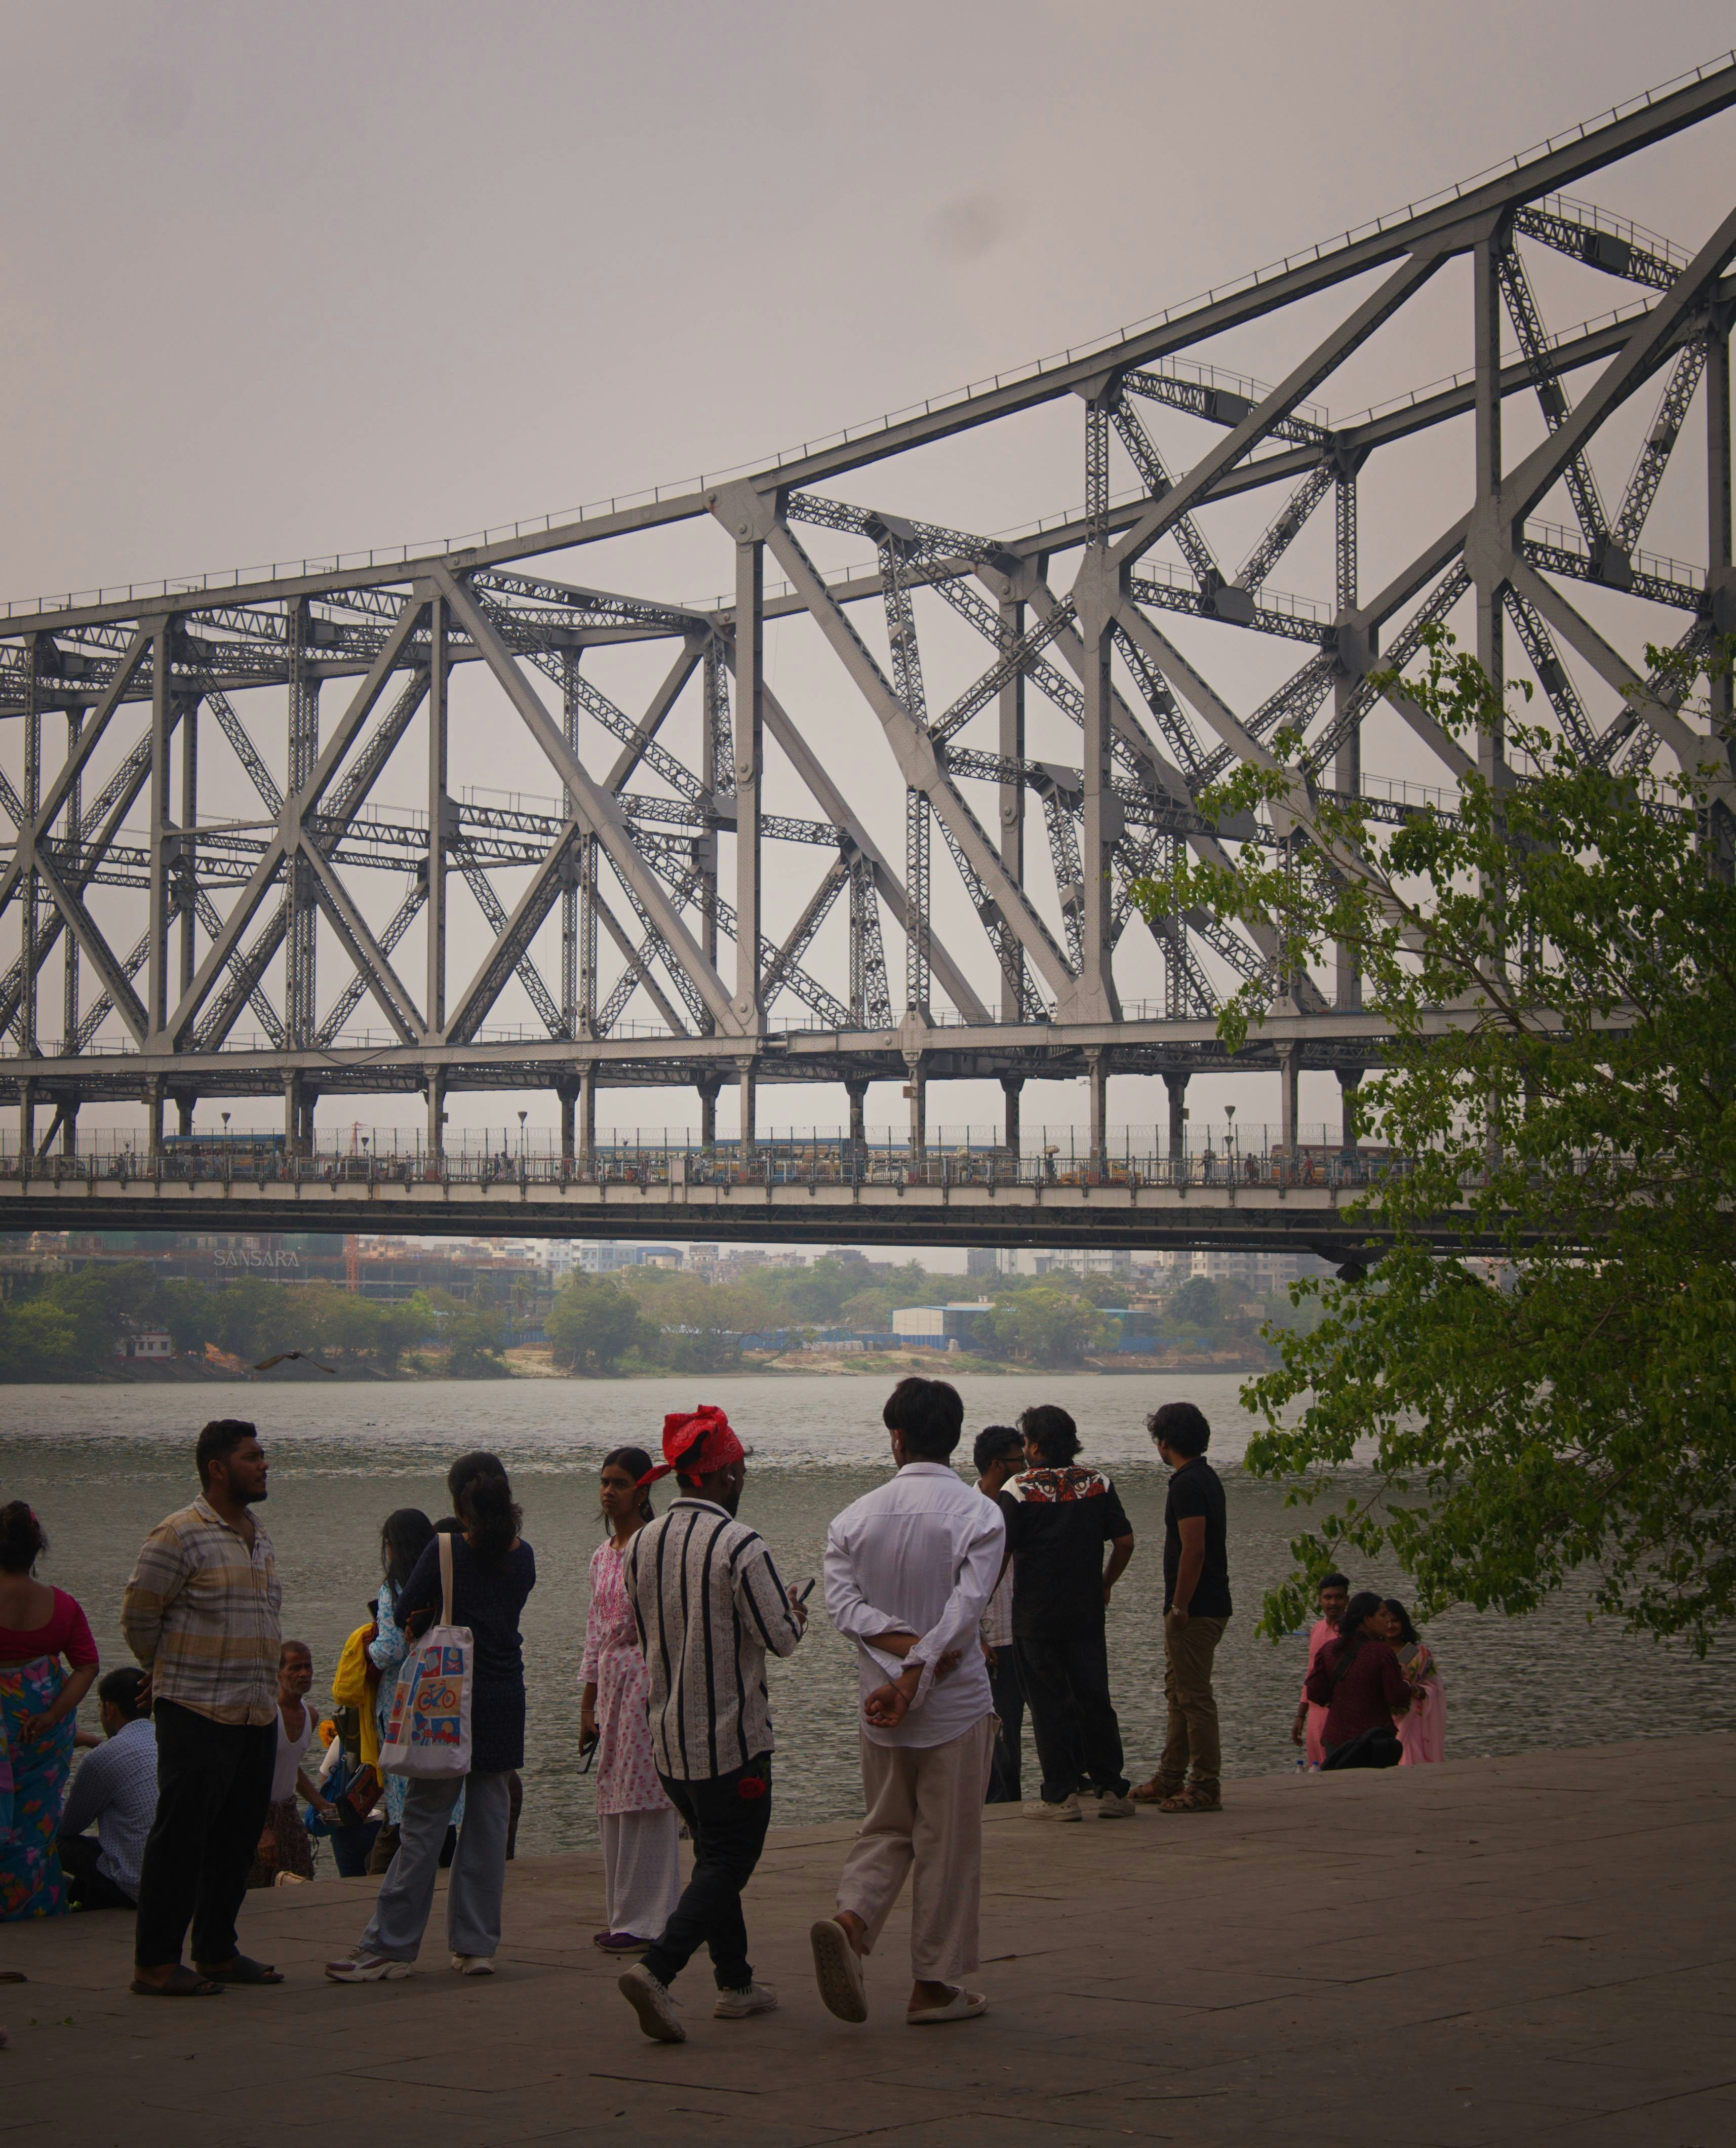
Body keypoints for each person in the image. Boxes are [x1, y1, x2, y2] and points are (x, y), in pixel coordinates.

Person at [811, 1377, 1005, 2028]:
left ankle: (852, 1920)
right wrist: (921, 1667)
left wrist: (898, 1673)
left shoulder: (851, 1519)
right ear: (953, 1440)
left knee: (886, 1827)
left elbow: (844, 1609)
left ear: (896, 1438)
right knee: (946, 1843)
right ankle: (933, 1984)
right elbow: (967, 1609)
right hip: (953, 1706)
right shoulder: (980, 1514)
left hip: (880, 1708)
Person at [615, 1406, 807, 2045]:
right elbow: (779, 1639)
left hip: (668, 1742)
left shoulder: (640, 1544)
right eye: (740, 1467)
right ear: (722, 1475)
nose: (743, 1476)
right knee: (729, 1859)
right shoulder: (740, 1545)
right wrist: (796, 1616)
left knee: (711, 1858)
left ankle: (735, 1984)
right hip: (732, 1743)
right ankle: (658, 1968)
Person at [325, 1452, 535, 1981]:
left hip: (446, 1700)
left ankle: (388, 1946)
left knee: (421, 1824)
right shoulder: (523, 1555)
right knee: (487, 1827)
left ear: (457, 1498)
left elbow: (402, 1613)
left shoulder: (444, 1550)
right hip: (503, 1697)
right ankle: (475, 1946)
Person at [122, 1420, 283, 1994]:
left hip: (255, 1711)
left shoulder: (257, 1535)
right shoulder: (179, 1534)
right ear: (218, 1469)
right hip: (195, 1709)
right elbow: (141, 1615)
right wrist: (162, 1671)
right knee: (180, 1839)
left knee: (235, 1841)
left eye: (263, 1456)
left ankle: (216, 1950)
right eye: (251, 1457)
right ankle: (156, 1964)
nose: (264, 1465)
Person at [996, 1405, 1135, 1820]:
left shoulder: (1018, 1489)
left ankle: (1061, 1797)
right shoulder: (1098, 1483)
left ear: (1034, 1445)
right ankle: (1112, 1790)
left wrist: (979, 1602)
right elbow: (1125, 1542)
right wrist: (1105, 1583)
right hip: (1087, 1614)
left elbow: (1000, 1556)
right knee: (1095, 1700)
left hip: (1035, 1619)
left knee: (1048, 1706)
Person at [580, 1447, 680, 1956]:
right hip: (612, 1687)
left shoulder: (654, 1546)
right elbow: (594, 1632)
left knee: (649, 1795)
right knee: (614, 1796)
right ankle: (624, 1914)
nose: (608, 1492)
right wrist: (586, 1705)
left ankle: (654, 1917)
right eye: (604, 1482)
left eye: (619, 1483)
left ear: (642, 1490)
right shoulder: (602, 1556)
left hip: (647, 1679)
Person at [0, 1504, 99, 1919]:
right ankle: (30, 1908)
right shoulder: (63, 1606)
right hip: (40, 1731)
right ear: (38, 1548)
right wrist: (53, 1714)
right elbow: (87, 1666)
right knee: (35, 1826)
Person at [1133, 1401, 1232, 1814]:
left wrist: (1179, 1607)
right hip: (1203, 1604)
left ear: (1165, 1442)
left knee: (1194, 1697)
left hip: (1196, 1608)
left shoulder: (1187, 1484)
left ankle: (1205, 1784)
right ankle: (1170, 1777)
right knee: (1179, 1693)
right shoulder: (1204, 1477)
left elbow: (1193, 1550)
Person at [363, 1508, 463, 1874]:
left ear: (393, 1546)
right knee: (444, 1791)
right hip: (442, 1695)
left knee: (405, 1795)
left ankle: (406, 1873)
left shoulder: (393, 1590)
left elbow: (390, 1649)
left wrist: (365, 1649)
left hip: (403, 1700)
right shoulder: (444, 1580)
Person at [58, 1667, 157, 1913]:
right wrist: (95, 1742)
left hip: (139, 1886)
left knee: (56, 1841)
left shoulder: (103, 1759)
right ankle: (89, 1897)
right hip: (180, 1884)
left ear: (109, 1709)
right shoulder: (167, 1740)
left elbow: (68, 1827)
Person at [249, 1642, 338, 1887]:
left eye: (308, 1667)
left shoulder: (311, 1716)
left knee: (300, 1880)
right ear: (277, 1675)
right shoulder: (265, 1715)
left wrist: (323, 1806)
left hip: (287, 1812)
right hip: (253, 1811)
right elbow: (245, 1773)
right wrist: (261, 1830)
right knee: (255, 1889)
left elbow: (291, 1767)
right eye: (295, 1668)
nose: (304, 1674)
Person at [973, 1425, 1026, 1804]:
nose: (1025, 1467)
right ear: (996, 1465)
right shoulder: (968, 1511)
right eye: (1017, 1461)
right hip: (988, 1639)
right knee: (993, 1729)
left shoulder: (1022, 1504)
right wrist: (976, 1636)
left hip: (1022, 1633)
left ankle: (1013, 1800)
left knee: (1015, 1727)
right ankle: (997, 1804)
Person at [1306, 1592, 1414, 1769]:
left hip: (1337, 1738)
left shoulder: (1328, 1650)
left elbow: (1315, 1693)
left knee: (1341, 1788)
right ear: (1368, 1620)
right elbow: (1397, 1698)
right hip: (1375, 1741)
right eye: (1383, 1614)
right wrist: (1407, 1683)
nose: (1387, 1620)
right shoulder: (1382, 1653)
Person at [1290, 1573, 1351, 1768]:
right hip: (1316, 1712)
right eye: (1328, 1598)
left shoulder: (1351, 1632)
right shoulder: (1316, 1629)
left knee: (1337, 1766)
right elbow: (1311, 1674)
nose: (1334, 1603)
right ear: (1320, 1600)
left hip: (1339, 1711)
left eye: (1339, 1597)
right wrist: (1301, 1715)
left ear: (1347, 1600)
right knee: (1315, 1766)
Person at [1383, 1599, 1446, 1765]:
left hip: (1414, 1717)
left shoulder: (1415, 1650)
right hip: (1384, 1716)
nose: (1390, 1626)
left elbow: (1434, 1685)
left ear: (1403, 1622)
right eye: (1385, 1621)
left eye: (1395, 1621)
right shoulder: (1376, 1650)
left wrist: (1417, 1691)